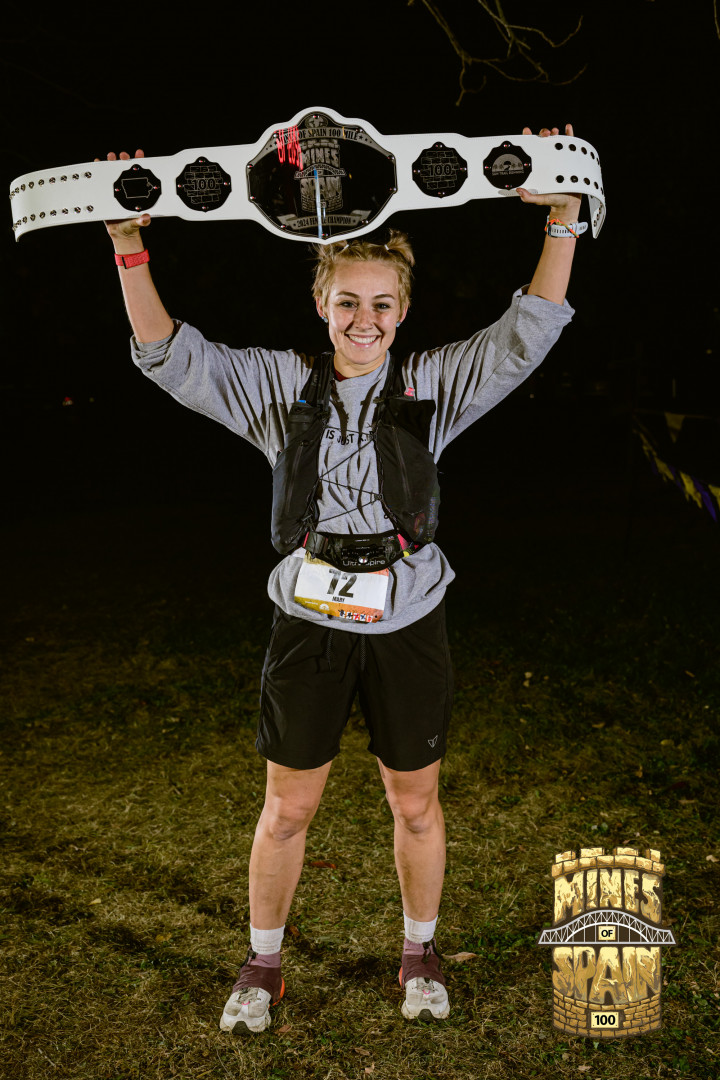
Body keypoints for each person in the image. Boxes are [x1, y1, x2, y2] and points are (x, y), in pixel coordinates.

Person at [102, 124, 583, 1034]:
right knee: (288, 808)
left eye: (384, 305)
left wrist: (561, 215)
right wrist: (129, 241)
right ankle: (263, 965)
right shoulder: (281, 388)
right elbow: (171, 355)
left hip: (410, 611)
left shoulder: (430, 384)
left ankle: (419, 955)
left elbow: (528, 333)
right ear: (321, 304)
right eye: (348, 302)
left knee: (416, 802)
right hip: (310, 614)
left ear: (404, 309)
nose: (366, 321)